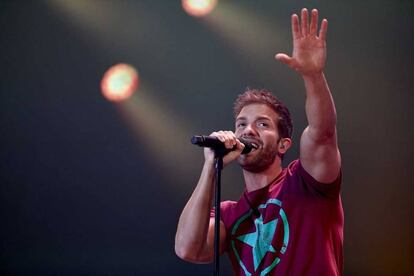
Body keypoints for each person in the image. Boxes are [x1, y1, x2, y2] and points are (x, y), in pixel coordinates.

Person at [175, 8, 343, 275]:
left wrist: (312, 76)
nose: (248, 130)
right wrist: (210, 167)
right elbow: (188, 249)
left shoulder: (305, 183)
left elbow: (323, 134)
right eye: (241, 124)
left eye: (262, 124)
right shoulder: (229, 215)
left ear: (283, 144)